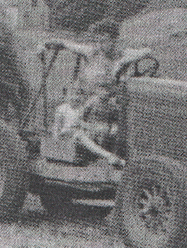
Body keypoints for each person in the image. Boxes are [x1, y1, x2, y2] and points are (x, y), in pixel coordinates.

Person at [41, 19, 152, 166]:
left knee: (120, 125)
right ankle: (105, 156)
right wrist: (49, 43)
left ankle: (126, 157)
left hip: (108, 105)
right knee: (79, 123)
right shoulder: (92, 52)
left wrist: (127, 59)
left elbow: (147, 51)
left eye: (104, 41)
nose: (100, 45)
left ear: (114, 40)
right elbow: (66, 44)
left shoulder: (121, 56)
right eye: (98, 41)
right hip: (87, 103)